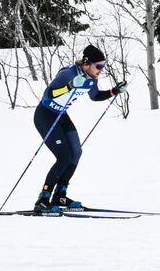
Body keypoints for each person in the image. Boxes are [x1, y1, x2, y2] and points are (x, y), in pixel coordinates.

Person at [32, 44, 127, 213]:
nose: (101, 70)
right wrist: (69, 86)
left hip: (61, 115)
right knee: (64, 156)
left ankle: (60, 195)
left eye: (103, 66)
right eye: (99, 66)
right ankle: (43, 198)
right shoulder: (68, 74)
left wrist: (114, 91)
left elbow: (95, 96)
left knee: (76, 152)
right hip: (45, 115)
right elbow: (49, 94)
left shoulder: (91, 79)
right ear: (86, 64)